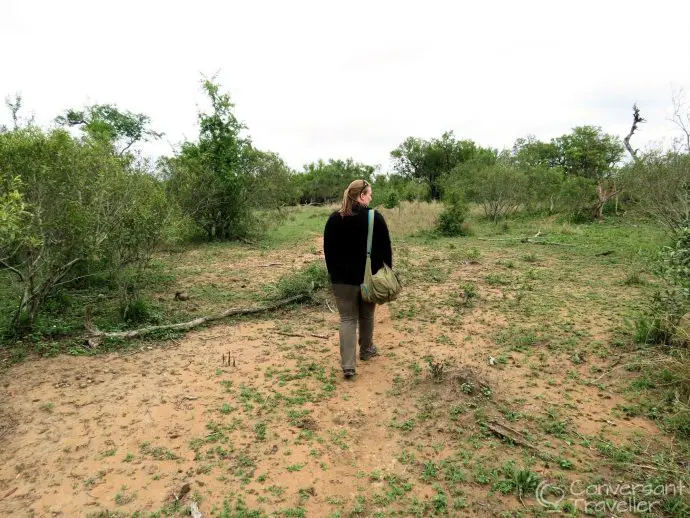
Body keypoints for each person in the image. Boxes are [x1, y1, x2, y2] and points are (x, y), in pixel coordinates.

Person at [323, 179, 393, 379]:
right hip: (367, 279)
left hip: (341, 280)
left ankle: (348, 367)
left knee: (347, 319)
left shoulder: (334, 220)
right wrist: (383, 275)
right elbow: (386, 252)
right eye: (369, 194)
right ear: (361, 196)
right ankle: (366, 350)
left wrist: (334, 275)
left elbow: (328, 252)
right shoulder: (374, 217)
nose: (371, 197)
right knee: (367, 315)